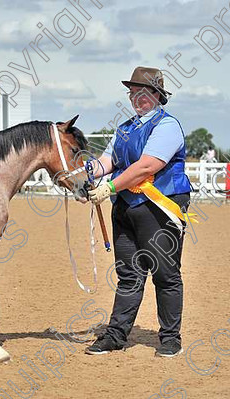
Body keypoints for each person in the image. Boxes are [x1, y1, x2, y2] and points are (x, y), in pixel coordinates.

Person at [82, 66, 193, 358]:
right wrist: (86, 172)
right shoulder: (124, 129)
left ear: (157, 95)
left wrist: (109, 188)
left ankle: (170, 338)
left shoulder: (167, 126)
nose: (137, 98)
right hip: (127, 209)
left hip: (160, 207)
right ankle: (116, 335)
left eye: (143, 92)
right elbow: (107, 160)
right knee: (128, 275)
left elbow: (146, 166)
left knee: (166, 274)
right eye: (133, 93)